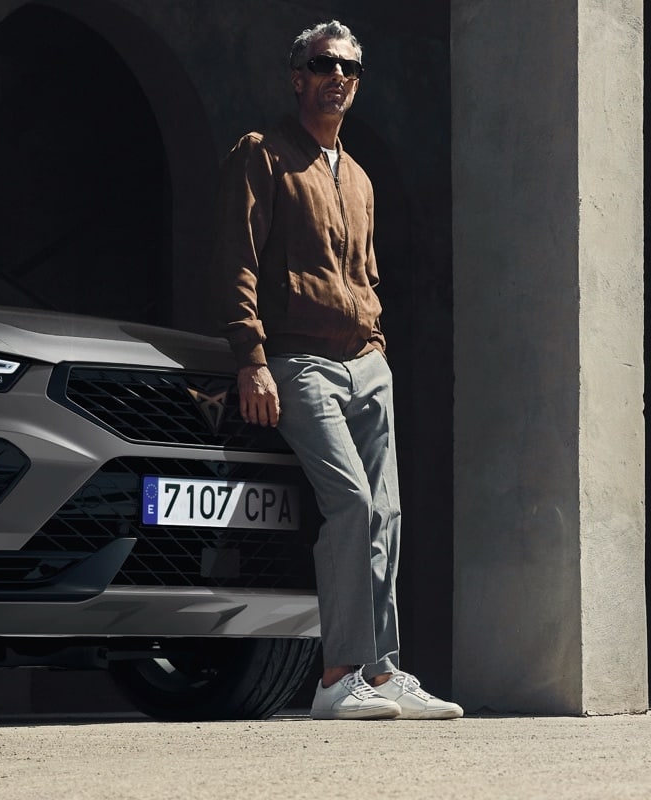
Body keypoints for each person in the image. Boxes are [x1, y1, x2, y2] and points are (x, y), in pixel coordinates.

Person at [214, 20, 460, 722]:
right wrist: (251, 359)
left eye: (350, 67)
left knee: (386, 514)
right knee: (351, 505)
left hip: (365, 364)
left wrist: (377, 346)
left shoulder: (358, 178)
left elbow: (365, 276)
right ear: (298, 77)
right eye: (324, 64)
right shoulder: (263, 156)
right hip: (299, 361)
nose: (338, 76)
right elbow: (237, 263)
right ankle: (336, 677)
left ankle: (382, 675)